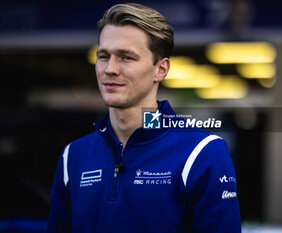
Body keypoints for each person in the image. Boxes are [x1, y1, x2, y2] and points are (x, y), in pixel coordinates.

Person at [47, 3, 241, 233]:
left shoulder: (202, 152)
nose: (109, 69)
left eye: (126, 57)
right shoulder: (73, 156)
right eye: (103, 56)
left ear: (161, 69)